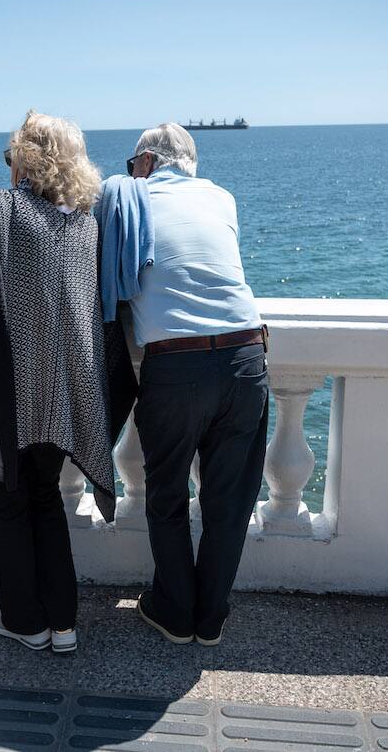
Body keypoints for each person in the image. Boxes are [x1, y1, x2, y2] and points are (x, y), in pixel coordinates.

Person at [0, 110, 123, 655]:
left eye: (12, 156)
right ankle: (63, 623)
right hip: (57, 391)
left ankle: (24, 621)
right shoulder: (83, 226)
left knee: (4, 501)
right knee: (44, 497)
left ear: (26, 159)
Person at [117, 123, 269, 646]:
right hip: (246, 355)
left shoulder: (130, 197)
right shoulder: (222, 198)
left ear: (146, 162)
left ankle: (175, 612)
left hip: (176, 365)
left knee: (166, 494)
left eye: (133, 164)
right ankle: (211, 617)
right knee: (231, 498)